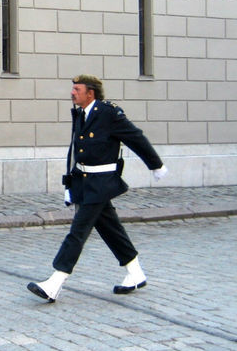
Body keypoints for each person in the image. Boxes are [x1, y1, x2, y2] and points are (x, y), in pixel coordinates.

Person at [27, 74, 168, 302]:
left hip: (102, 183)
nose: (72, 93)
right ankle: (135, 272)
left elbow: (135, 137)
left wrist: (156, 165)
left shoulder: (108, 113)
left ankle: (55, 282)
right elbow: (77, 150)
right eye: (73, 89)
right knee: (110, 228)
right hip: (85, 182)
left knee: (78, 231)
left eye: (77, 89)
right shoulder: (80, 113)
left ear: (90, 93)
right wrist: (70, 183)